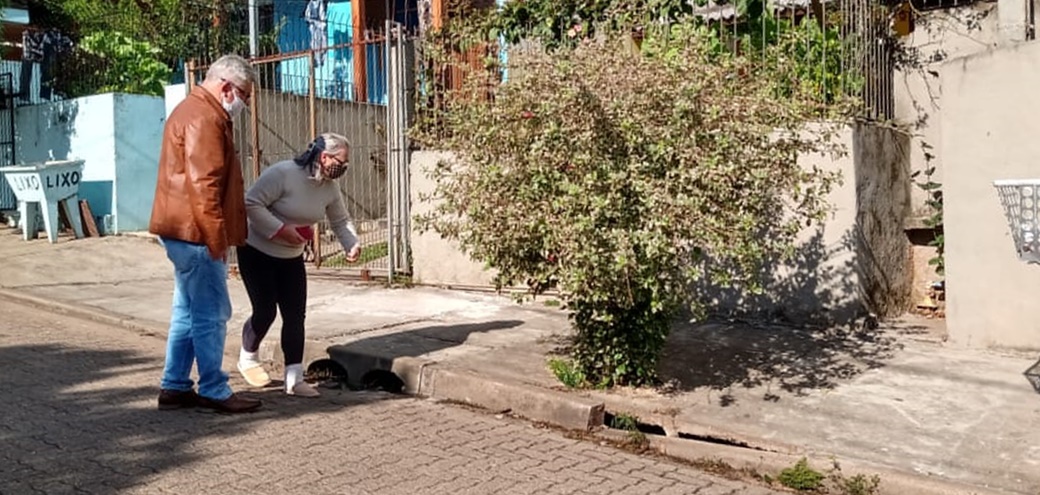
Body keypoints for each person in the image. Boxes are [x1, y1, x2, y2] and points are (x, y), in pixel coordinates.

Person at [149, 54, 262, 414]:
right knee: (212, 313)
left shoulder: (192, 110)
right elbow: (205, 186)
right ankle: (213, 388)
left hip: (181, 229)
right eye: (244, 94)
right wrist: (217, 241)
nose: (245, 102)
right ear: (226, 86)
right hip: (196, 233)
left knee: (187, 310)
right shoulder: (205, 116)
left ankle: (175, 385)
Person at [236, 133, 362, 397]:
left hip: (291, 256)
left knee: (295, 316)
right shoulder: (282, 174)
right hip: (257, 251)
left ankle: (294, 378)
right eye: (342, 161)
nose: (345, 168)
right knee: (266, 311)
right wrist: (280, 229)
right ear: (324, 157)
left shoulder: (329, 187)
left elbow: (340, 220)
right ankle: (248, 357)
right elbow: (251, 203)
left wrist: (351, 243)